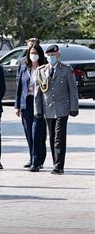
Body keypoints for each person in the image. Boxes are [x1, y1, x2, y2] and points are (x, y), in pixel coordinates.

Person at [35, 44, 79, 175]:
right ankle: (56, 162)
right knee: (52, 137)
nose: (51, 58)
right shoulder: (41, 70)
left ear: (58, 55)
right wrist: (37, 109)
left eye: (53, 55)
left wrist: (74, 107)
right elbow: (38, 93)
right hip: (48, 108)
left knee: (59, 137)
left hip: (62, 108)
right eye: (48, 56)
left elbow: (73, 89)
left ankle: (59, 166)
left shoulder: (66, 69)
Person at [15, 43, 47, 172]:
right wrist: (17, 105)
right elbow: (19, 86)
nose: (33, 55)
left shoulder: (44, 67)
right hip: (26, 102)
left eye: (35, 53)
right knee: (29, 132)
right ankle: (33, 158)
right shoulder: (24, 66)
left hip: (40, 102)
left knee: (37, 132)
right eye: (31, 53)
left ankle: (37, 160)